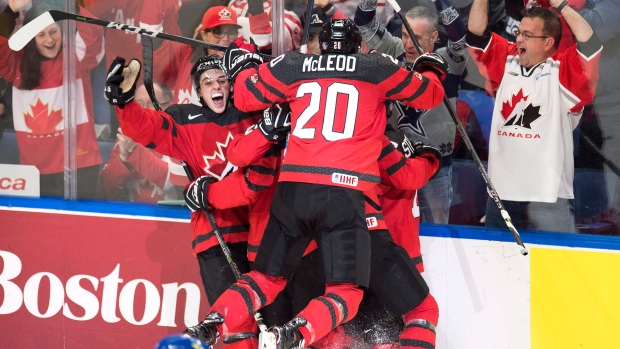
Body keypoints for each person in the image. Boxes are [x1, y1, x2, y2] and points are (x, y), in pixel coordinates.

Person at [183, 18, 446, 349]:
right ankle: (294, 333)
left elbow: (247, 97)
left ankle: (212, 324)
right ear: (357, 46)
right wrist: (431, 68)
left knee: (264, 279)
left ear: (321, 46)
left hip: (292, 192)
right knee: (350, 294)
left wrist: (245, 65)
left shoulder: (296, 64)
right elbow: (429, 95)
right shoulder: (375, 67)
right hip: (344, 198)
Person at [103, 54, 262, 334]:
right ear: (198, 91)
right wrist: (124, 102)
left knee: (274, 323)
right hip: (216, 236)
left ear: (232, 86)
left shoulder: (253, 112)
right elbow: (144, 127)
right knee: (237, 325)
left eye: (222, 80)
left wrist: (249, 56)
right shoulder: (184, 119)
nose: (216, 87)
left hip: (261, 233)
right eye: (207, 82)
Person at [467, 0, 602, 232]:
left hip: (546, 197)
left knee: (558, 265)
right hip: (502, 195)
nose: (519, 39)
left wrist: (560, 4)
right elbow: (476, 34)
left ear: (548, 42)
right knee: (497, 263)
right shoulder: (507, 59)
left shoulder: (564, 71)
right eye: (519, 33)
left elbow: (590, 43)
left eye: (527, 35)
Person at [355, 0, 469, 224]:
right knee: (397, 227)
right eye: (406, 35)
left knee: (437, 230)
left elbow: (459, 37)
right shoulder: (394, 50)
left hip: (436, 167)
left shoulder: (448, 61)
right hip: (397, 164)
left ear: (434, 36)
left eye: (416, 38)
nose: (408, 44)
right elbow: (363, 24)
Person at [0, 1, 103, 198]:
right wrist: (9, 11)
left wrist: (69, 4)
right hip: (34, 172)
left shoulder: (75, 59)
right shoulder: (16, 65)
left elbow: (93, 32)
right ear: (31, 38)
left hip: (80, 165)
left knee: (79, 228)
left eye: (54, 31)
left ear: (64, 32)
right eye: (41, 34)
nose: (50, 39)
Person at [100, 84, 188, 203]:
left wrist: (133, 150)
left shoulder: (182, 138)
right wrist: (122, 159)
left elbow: (170, 180)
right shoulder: (127, 137)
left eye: (152, 103)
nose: (143, 109)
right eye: (138, 104)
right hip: (134, 215)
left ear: (169, 107)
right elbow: (106, 187)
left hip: (171, 216)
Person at [155, 6, 243, 105]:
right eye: (217, 32)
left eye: (231, 32)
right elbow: (160, 46)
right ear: (204, 35)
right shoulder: (186, 54)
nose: (225, 38)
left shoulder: (243, 63)